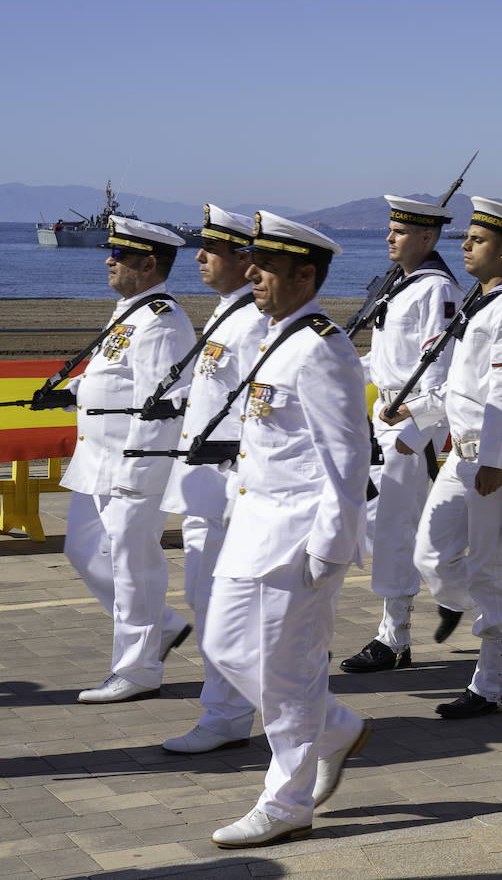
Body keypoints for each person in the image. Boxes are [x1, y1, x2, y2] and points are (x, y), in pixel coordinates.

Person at [204, 212, 371, 848]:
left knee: (289, 669)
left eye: (267, 266)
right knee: (224, 647)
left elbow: (348, 456)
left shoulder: (322, 348)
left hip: (299, 536)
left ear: (306, 274)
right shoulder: (279, 335)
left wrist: (332, 545)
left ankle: (287, 801)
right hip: (253, 525)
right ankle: (332, 730)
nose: (252, 274)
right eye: (253, 262)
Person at [408, 198, 502, 717]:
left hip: (497, 460)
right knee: (429, 554)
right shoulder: (483, 302)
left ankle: (492, 686)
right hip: (460, 455)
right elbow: (462, 389)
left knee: (491, 571)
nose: (464, 245)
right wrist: (419, 418)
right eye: (466, 237)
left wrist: (491, 461)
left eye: (477, 240)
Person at [54, 216, 196, 703]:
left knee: (136, 566)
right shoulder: (130, 311)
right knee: (83, 551)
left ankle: (137, 671)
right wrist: (73, 390)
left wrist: (140, 472)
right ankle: (161, 628)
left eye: (119, 254)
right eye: (111, 251)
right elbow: (118, 380)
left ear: (149, 263)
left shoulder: (161, 320)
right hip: (96, 460)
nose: (108, 259)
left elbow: (164, 402)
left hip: (131, 465)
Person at [161, 206, 271, 753]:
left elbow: (258, 410)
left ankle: (228, 714)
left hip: (228, 488)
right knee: (205, 600)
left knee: (223, 607)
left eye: (211, 250)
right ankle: (228, 708)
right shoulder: (228, 313)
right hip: (205, 487)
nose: (199, 257)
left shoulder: (250, 321)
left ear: (245, 258)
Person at [340, 196, 462, 674]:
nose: (389, 237)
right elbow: (387, 362)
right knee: (378, 524)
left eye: (400, 231)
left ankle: (393, 639)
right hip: (384, 414)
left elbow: (441, 370)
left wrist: (415, 430)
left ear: (427, 238)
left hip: (409, 424)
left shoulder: (437, 291)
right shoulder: (402, 287)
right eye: (390, 229)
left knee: (394, 527)